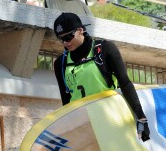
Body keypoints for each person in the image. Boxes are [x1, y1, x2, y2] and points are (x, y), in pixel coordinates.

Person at [53, 12, 150, 142]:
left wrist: (141, 117)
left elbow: (125, 83)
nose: (65, 42)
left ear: (81, 30)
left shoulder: (105, 49)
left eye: (69, 37)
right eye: (61, 39)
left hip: (110, 119)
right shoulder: (60, 63)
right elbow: (66, 100)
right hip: (82, 125)